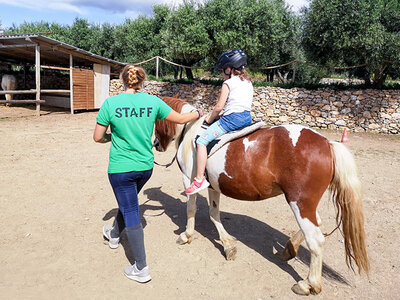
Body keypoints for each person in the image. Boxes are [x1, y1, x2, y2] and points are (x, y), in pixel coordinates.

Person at [93, 64, 201, 283]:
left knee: (130, 208)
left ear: (123, 80)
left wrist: (111, 137)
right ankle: (113, 234)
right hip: (145, 168)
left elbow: (97, 137)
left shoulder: (110, 104)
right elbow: (180, 119)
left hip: (121, 169)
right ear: (142, 82)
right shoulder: (153, 102)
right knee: (129, 203)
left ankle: (141, 268)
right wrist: (199, 113)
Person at [185, 49, 253, 195]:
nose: (222, 73)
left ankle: (199, 179)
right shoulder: (248, 83)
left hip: (232, 120)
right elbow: (238, 105)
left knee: (202, 141)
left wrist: (210, 118)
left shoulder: (227, 83)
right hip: (247, 117)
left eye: (223, 70)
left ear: (230, 68)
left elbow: (219, 107)